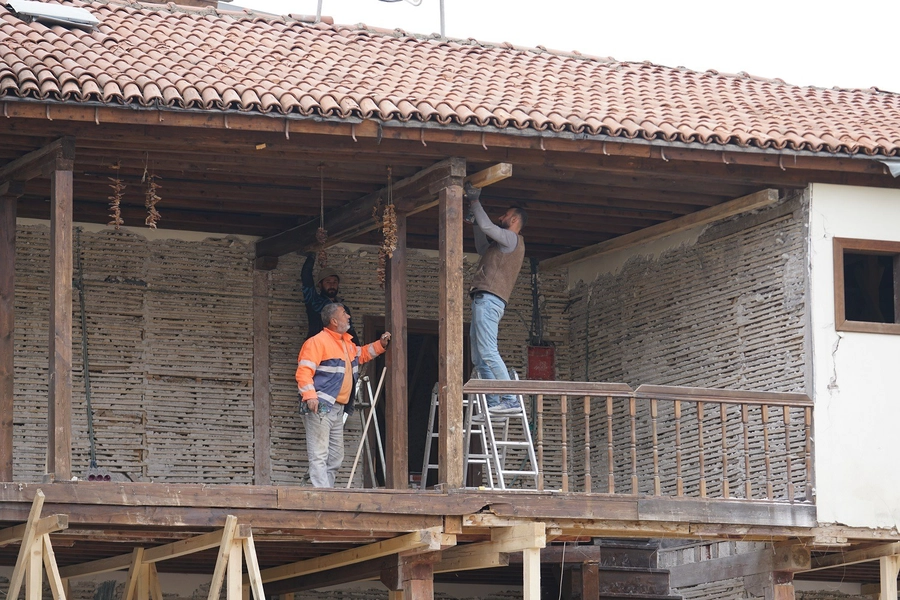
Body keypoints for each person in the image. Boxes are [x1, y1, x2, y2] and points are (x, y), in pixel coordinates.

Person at [295, 302, 391, 488]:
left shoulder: (346, 343)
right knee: (319, 454)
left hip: (337, 408)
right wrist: (310, 396)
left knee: (335, 457)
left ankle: (326, 492)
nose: (348, 316)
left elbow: (362, 354)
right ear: (334, 321)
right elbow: (304, 371)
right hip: (321, 406)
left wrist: (381, 345)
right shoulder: (317, 342)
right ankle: (322, 495)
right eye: (344, 313)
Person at [465, 182, 528, 414]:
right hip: (485, 300)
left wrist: (474, 200)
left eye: (506, 215)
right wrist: (474, 222)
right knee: (479, 357)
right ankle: (494, 404)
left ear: (514, 220)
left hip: (489, 300)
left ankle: (511, 399)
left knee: (489, 351)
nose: (502, 217)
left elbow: (487, 226)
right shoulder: (499, 246)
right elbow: (482, 245)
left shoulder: (512, 239)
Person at [301, 253, 360, 345]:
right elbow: (306, 276)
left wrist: (357, 350)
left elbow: (350, 332)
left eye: (335, 282)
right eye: (328, 282)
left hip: (337, 350)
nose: (332, 285)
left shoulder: (344, 309)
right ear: (320, 285)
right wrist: (312, 254)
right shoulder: (314, 301)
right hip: (317, 347)